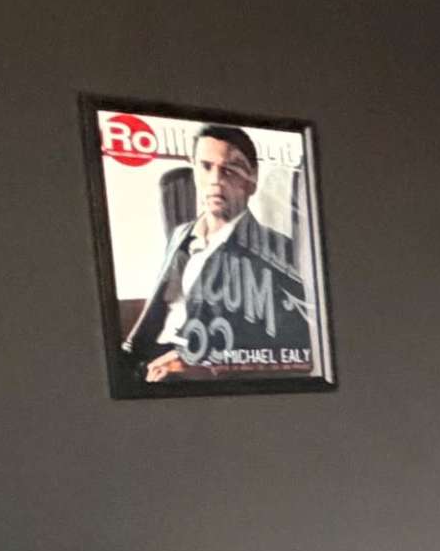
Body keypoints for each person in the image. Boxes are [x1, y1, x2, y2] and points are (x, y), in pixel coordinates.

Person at [121, 122, 319, 382]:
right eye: (206, 167)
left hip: (197, 375)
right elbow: (159, 307)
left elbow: (292, 350)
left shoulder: (277, 250)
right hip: (146, 361)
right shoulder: (182, 233)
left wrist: (204, 365)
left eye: (229, 170)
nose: (215, 180)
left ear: (252, 180)